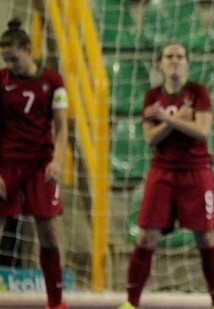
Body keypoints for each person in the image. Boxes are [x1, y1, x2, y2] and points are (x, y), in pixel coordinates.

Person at [118, 42, 214, 309]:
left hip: (196, 171)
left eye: (179, 56)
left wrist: (165, 119)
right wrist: (178, 119)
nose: (174, 61)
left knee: (206, 237)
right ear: (160, 63)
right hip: (162, 172)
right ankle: (131, 302)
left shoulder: (198, 92)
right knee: (145, 237)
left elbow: (201, 130)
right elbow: (150, 138)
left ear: (187, 62)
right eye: (169, 57)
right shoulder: (152, 96)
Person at [0, 18, 69, 309]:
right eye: (6, 59)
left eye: (14, 58)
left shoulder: (53, 81)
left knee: (49, 236)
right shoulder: (1, 80)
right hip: (7, 165)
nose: (10, 64)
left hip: (41, 165)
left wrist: (58, 160)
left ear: (28, 50)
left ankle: (55, 302)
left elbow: (62, 127)